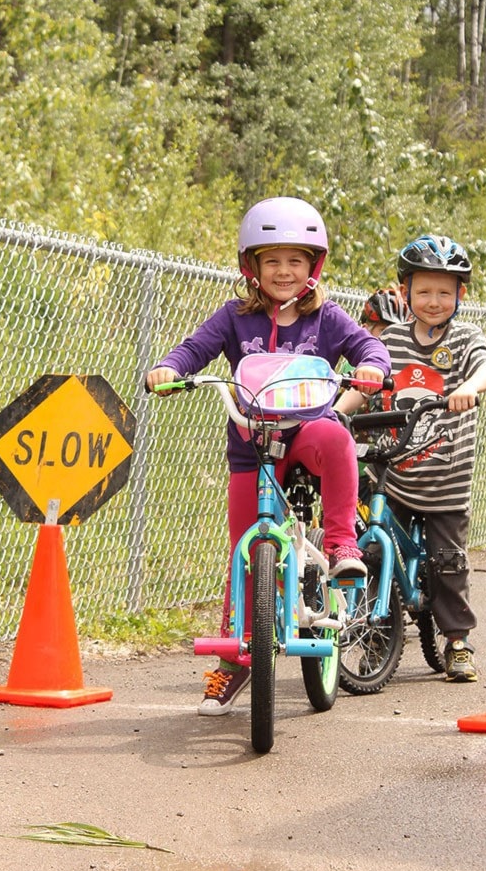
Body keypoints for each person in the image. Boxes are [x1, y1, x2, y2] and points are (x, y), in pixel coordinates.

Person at [145, 196, 391, 715]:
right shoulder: (234, 318)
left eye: (296, 260)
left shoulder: (325, 317)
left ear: (313, 266)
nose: (284, 271)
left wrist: (371, 365)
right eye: (272, 260)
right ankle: (235, 665)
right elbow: (193, 350)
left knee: (339, 439)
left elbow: (367, 348)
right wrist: (170, 368)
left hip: (306, 431)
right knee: (245, 555)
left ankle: (343, 546)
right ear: (251, 266)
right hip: (253, 444)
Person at [337, 234, 486, 682]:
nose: (433, 301)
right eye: (423, 291)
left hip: (446, 476)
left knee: (447, 562)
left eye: (444, 292)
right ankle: (372, 636)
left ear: (460, 295)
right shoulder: (392, 340)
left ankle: (458, 642)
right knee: (371, 551)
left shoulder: (466, 338)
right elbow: (364, 385)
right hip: (396, 469)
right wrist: (336, 414)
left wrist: (469, 386)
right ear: (406, 291)